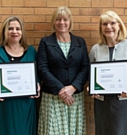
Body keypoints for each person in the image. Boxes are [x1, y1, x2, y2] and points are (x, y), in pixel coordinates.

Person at [89, 11, 127, 135]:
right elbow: (91, 73)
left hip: (124, 101)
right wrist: (92, 87)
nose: (108, 27)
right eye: (104, 24)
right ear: (101, 28)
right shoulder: (95, 49)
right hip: (102, 102)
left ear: (119, 25)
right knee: (102, 131)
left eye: (112, 23)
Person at [0, 16, 40, 135]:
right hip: (4, 105)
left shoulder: (31, 51)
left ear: (22, 32)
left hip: (26, 105)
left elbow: (37, 74)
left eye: (18, 29)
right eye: (10, 28)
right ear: (4, 31)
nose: (14, 31)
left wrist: (37, 84)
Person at [37, 6, 89, 135]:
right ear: (53, 22)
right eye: (58, 19)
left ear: (70, 22)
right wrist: (61, 89)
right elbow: (42, 68)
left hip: (75, 97)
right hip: (52, 96)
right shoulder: (45, 42)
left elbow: (85, 67)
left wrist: (73, 87)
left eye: (65, 19)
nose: (61, 23)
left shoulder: (80, 42)